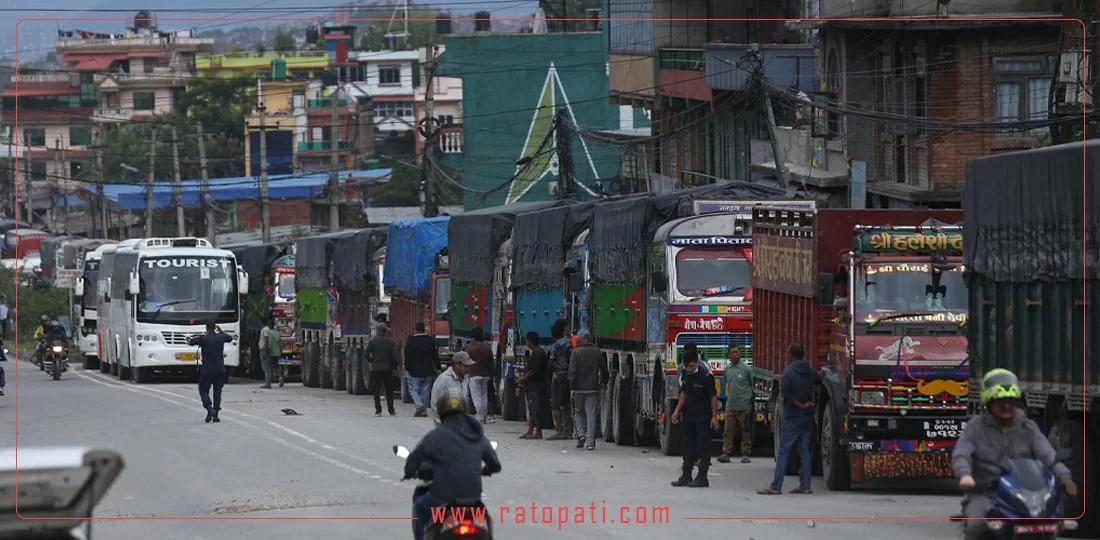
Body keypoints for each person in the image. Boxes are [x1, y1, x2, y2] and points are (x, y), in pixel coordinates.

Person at [952, 368, 1077, 539]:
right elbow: (962, 453)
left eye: (1011, 401)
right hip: (987, 494)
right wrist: (965, 475)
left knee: (1050, 522)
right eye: (1000, 401)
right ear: (989, 403)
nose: (1006, 406)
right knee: (976, 525)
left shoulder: (1028, 427)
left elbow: (1047, 454)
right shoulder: (975, 427)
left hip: (1025, 496)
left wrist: (1064, 476)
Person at [406, 389, 502, 540]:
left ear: (441, 411)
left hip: (441, 499)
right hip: (472, 501)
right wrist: (484, 470)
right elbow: (495, 465)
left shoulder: (435, 436)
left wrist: (412, 471)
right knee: (485, 518)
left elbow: (412, 462)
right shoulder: (476, 434)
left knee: (420, 506)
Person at [758, 342, 818, 495]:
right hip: (807, 417)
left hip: (793, 417)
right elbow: (819, 380)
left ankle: (776, 486)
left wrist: (799, 405)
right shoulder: (809, 371)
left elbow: (786, 395)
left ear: (790, 355)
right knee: (804, 451)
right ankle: (805, 485)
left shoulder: (789, 373)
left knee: (784, 451)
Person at [670, 350, 718, 488]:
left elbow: (713, 396)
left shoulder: (706, 376)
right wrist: (677, 411)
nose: (689, 369)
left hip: (703, 417)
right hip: (689, 415)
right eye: (687, 367)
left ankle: (702, 477)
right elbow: (684, 393)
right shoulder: (684, 373)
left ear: (696, 363)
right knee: (687, 446)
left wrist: (714, 417)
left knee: (703, 447)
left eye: (691, 366)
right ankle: (686, 475)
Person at [568, 329, 607, 450]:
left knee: (578, 412)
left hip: (578, 389)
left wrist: (572, 388)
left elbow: (572, 372)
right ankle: (590, 442)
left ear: (579, 339)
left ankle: (581, 435)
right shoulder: (597, 352)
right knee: (591, 414)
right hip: (593, 389)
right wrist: (604, 382)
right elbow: (604, 370)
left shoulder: (575, 353)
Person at [187, 323, 234, 423]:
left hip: (207, 370)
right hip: (220, 370)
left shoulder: (203, 338)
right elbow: (230, 338)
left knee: (203, 390)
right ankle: (216, 415)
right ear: (215, 328)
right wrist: (221, 331)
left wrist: (188, 339)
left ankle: (209, 407)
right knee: (218, 392)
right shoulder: (221, 337)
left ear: (206, 328)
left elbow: (190, 342)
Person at [718, 344, 754, 463]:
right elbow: (727, 383)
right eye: (732, 352)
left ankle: (745, 453)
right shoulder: (727, 370)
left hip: (744, 406)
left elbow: (752, 385)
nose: (735, 354)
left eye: (736, 352)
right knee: (728, 431)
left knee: (745, 431)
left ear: (740, 354)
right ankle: (726, 453)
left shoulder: (747, 369)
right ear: (728, 355)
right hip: (730, 406)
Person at [518, 331, 549, 439]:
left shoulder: (538, 353)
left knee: (536, 409)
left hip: (536, 386)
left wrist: (523, 379)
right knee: (532, 409)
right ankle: (530, 430)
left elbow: (533, 371)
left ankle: (538, 432)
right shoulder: (536, 353)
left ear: (529, 342)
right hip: (532, 387)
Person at [430, 351, 476, 426]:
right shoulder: (444, 379)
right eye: (466, 366)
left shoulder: (465, 379)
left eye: (469, 366)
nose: (468, 369)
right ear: (457, 364)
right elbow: (435, 402)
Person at [404, 321, 438, 417]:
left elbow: (407, 355)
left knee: (412, 389)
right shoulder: (430, 341)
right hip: (428, 370)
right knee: (425, 390)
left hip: (414, 370)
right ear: (424, 329)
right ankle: (424, 411)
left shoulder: (411, 341)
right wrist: (437, 367)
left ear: (415, 329)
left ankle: (419, 405)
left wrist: (407, 367)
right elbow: (435, 355)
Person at [366, 322, 400, 417]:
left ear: (378, 330)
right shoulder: (391, 342)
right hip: (387, 369)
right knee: (389, 390)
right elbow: (394, 356)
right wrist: (393, 366)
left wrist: (373, 361)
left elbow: (366, 354)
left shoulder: (373, 341)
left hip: (376, 369)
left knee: (376, 390)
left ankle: (378, 411)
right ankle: (391, 410)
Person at [548, 319, 574, 440]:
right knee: (567, 405)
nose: (570, 329)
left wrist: (554, 370)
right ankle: (569, 432)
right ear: (564, 329)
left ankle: (559, 431)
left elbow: (550, 364)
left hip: (560, 377)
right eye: (568, 327)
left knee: (555, 405)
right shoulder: (573, 343)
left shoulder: (556, 345)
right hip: (571, 377)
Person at [464, 327, 494, 424]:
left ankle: (480, 416)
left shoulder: (470, 350)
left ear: (474, 338)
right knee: (484, 396)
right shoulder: (488, 349)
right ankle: (484, 416)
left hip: (474, 375)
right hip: (485, 375)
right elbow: (491, 363)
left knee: (476, 397)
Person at [258, 316, 281, 389]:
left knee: (266, 367)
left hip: (265, 349)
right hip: (273, 350)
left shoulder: (265, 330)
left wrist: (265, 351)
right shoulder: (273, 331)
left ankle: (267, 384)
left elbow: (266, 340)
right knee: (274, 366)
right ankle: (277, 378)